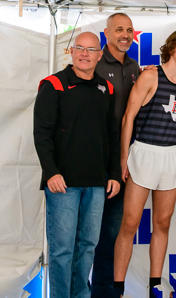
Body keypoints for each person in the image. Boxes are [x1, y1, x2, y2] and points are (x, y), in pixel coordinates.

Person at [112, 29, 176, 297]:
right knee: (129, 223)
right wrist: (124, 157)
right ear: (172, 47)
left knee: (162, 223)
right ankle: (118, 288)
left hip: (170, 155)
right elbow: (129, 117)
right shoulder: (151, 75)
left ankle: (155, 286)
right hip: (144, 152)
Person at [34, 31, 121, 298]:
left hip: (96, 184)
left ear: (99, 55)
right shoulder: (54, 85)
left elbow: (111, 134)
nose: (85, 54)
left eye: (91, 49)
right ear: (71, 52)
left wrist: (114, 174)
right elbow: (42, 133)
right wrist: (51, 172)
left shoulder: (106, 88)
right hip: (63, 184)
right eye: (79, 48)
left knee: (87, 247)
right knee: (62, 250)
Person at [91, 12, 142, 298]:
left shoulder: (136, 67)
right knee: (88, 233)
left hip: (123, 160)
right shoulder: (94, 62)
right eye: (119, 29)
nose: (125, 34)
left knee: (112, 230)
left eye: (129, 30)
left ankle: (104, 292)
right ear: (107, 33)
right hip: (95, 156)